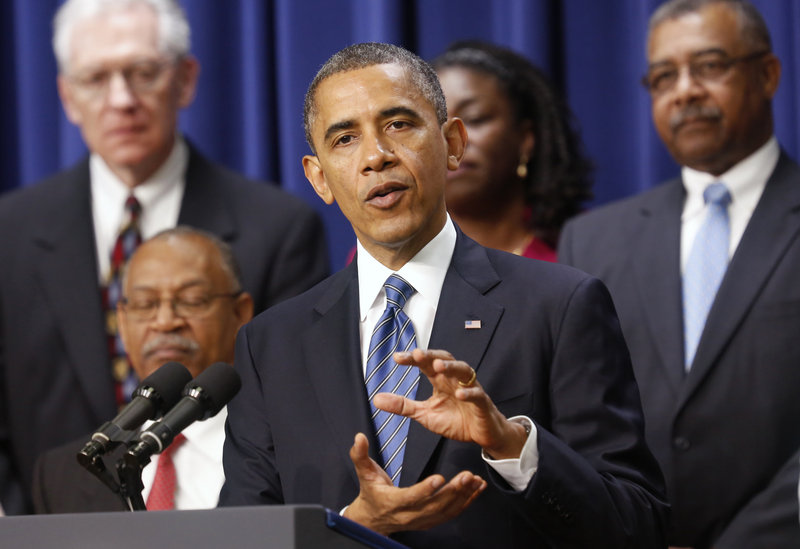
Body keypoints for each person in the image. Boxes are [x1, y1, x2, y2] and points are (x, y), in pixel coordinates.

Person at [219, 42, 668, 548]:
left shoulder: (560, 306)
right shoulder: (270, 345)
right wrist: (353, 525)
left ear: (453, 143)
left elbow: (639, 525)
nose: (376, 156)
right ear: (319, 177)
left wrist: (513, 446)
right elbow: (244, 536)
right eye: (345, 138)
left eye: (399, 124)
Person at [0, 0, 328, 515]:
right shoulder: (8, 235)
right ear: (67, 96)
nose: (122, 99)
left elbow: (296, 411)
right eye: (96, 78)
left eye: (143, 73)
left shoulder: (278, 228)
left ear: (186, 79)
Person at [558, 1, 800, 547]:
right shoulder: (594, 239)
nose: (684, 91)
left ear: (768, 74)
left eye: (710, 66)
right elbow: (579, 423)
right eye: (663, 76)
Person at [32, 227, 253, 513]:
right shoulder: (65, 475)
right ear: (122, 322)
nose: (164, 322)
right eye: (145, 304)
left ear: (241, 313)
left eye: (192, 300)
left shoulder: (284, 453)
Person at [432, 41, 593, 260]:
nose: (449, 141)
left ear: (526, 138)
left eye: (473, 119)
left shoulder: (590, 247)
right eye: (434, 125)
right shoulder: (394, 262)